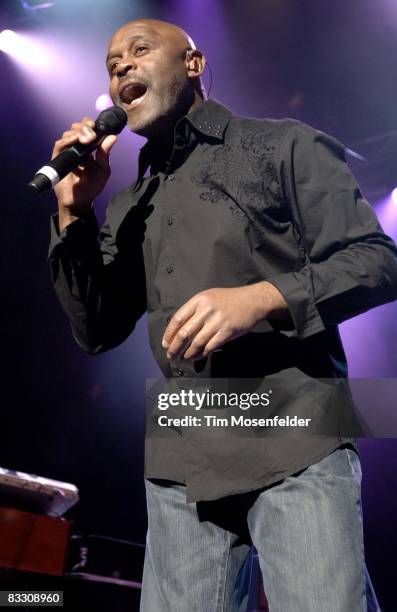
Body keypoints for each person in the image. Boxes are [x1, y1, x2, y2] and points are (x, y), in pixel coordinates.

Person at [48, 17, 397, 611]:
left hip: (295, 422)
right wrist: (74, 215)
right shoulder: (133, 202)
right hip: (185, 441)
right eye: (112, 64)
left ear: (194, 64)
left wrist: (263, 296)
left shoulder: (284, 143)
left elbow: (377, 260)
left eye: (139, 50)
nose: (122, 67)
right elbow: (96, 328)